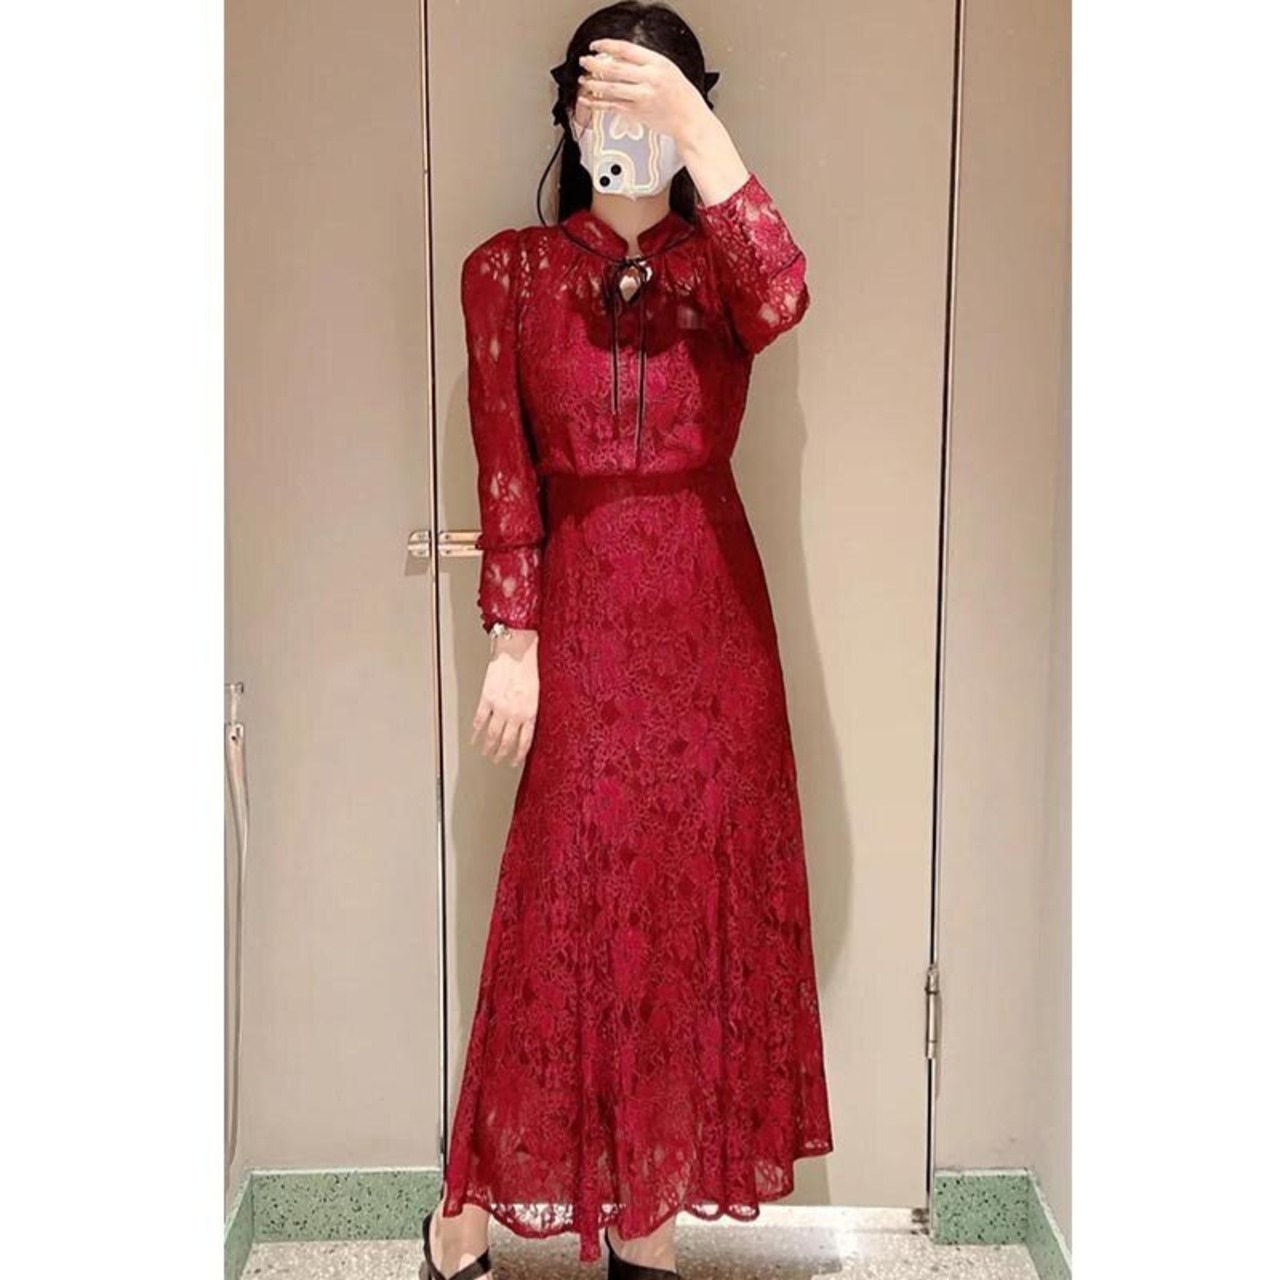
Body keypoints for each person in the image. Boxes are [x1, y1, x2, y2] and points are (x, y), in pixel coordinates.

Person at [422, 4, 834, 1277]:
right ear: (564, 114)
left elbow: (785, 290)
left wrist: (692, 124)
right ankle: (460, 1215)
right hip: (586, 618)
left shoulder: (723, 276)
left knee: (682, 918)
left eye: (650, 108)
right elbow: (505, 473)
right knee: (560, 913)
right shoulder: (508, 274)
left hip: (713, 627)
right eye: (602, 104)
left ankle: (645, 1229)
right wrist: (514, 638)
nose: (624, 132)